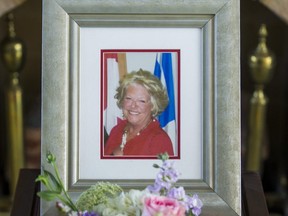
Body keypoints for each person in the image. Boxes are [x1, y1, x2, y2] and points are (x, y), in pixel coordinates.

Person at [104, 69, 174, 156]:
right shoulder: (116, 130)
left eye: (142, 101)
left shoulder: (159, 140)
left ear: (153, 105)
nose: (133, 106)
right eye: (128, 98)